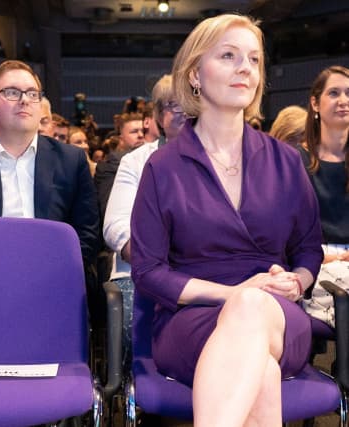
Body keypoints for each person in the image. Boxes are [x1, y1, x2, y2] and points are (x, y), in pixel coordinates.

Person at [130, 14, 322, 425]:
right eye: (229, 56)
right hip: (191, 319)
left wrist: (297, 282)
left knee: (253, 312)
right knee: (260, 371)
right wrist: (233, 293)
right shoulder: (162, 167)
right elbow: (148, 273)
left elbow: (308, 250)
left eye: (254, 60)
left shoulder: (287, 161)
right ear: (194, 74)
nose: (245, 68)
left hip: (278, 316)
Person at [0, 59, 99, 268]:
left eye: (32, 94)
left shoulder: (71, 160)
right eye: (12, 93)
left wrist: (57, 271)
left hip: (56, 272)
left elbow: (87, 234)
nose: (24, 100)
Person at [101, 74, 185, 360]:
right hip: (139, 274)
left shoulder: (220, 160)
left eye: (190, 103)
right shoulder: (135, 161)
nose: (184, 111)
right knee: (133, 326)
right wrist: (160, 265)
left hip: (204, 273)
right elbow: (117, 228)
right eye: (173, 104)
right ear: (158, 116)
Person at [298, 66, 349, 325]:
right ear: (315, 103)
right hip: (315, 263)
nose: (344, 100)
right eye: (334, 93)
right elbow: (289, 232)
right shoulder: (296, 160)